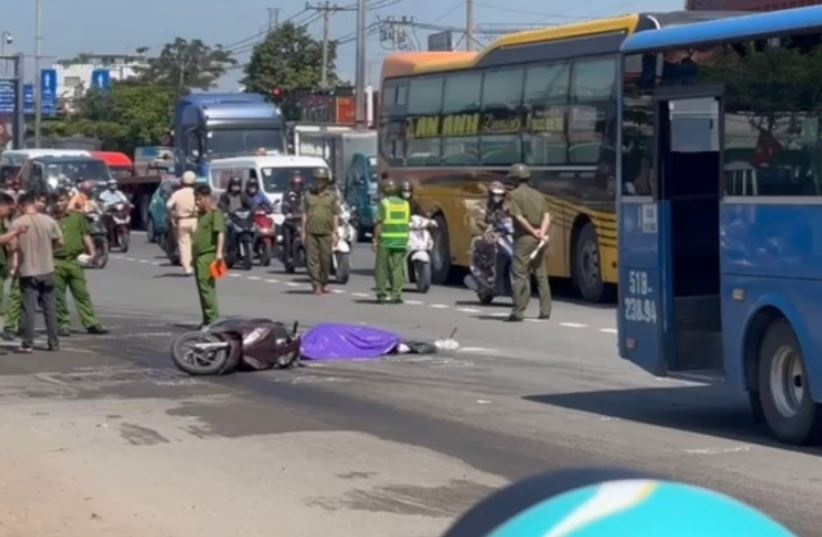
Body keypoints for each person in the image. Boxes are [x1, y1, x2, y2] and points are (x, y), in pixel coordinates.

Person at [9, 192, 63, 352]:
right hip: (48, 268)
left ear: (21, 205)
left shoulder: (17, 223)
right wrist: (49, 250)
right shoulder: (49, 220)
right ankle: (54, 342)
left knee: (28, 308)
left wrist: (14, 266)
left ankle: (28, 343)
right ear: (34, 203)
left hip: (28, 270)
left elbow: (13, 247)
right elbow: (61, 241)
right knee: (50, 307)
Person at [52, 189, 108, 337]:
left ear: (67, 200)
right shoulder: (50, 220)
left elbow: (85, 235)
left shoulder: (77, 217)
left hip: (74, 261)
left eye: (62, 200)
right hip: (56, 261)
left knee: (82, 294)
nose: (59, 203)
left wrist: (92, 252)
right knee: (58, 297)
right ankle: (63, 324)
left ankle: (91, 323)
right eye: (56, 201)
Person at [505, 164, 552, 322]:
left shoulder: (513, 195)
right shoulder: (539, 195)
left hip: (524, 238)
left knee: (520, 274)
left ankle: (518, 311)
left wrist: (532, 232)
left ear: (515, 179)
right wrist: (541, 234)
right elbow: (547, 216)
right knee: (541, 275)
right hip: (540, 239)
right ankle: (545, 311)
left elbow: (518, 217)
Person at [302, 168, 339, 295]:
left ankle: (324, 282)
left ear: (326, 182)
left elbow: (335, 214)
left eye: (321, 180)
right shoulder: (308, 195)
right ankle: (316, 284)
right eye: (317, 180)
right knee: (312, 261)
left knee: (325, 260)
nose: (318, 183)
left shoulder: (331, 196)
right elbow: (304, 214)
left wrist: (335, 232)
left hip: (326, 232)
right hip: (311, 232)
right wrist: (303, 231)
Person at [192, 184, 225, 328]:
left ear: (206, 198)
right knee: (201, 287)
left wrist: (219, 253)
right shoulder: (202, 215)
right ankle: (206, 318)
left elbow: (220, 233)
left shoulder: (214, 213)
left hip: (208, 255)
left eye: (199, 199)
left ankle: (212, 319)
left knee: (207, 287)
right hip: (199, 255)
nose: (197, 202)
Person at [373, 179, 410, 304]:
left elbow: (379, 223)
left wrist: (375, 240)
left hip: (386, 240)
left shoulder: (384, 203)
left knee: (381, 268)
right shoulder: (405, 204)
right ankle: (397, 295)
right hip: (401, 240)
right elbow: (407, 223)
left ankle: (382, 295)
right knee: (398, 267)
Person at [166, 171, 198, 275]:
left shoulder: (177, 193)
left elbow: (168, 206)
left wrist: (173, 213)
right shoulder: (196, 193)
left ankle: (187, 268)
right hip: (195, 220)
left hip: (182, 221)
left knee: (184, 245)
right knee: (197, 243)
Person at [281, 175, 304, 264]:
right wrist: (287, 213)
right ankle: (288, 257)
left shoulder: (305, 195)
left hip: (302, 221)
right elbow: (284, 206)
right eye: (295, 185)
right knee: (287, 240)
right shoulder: (287, 195)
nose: (297, 187)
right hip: (290, 222)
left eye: (299, 185)